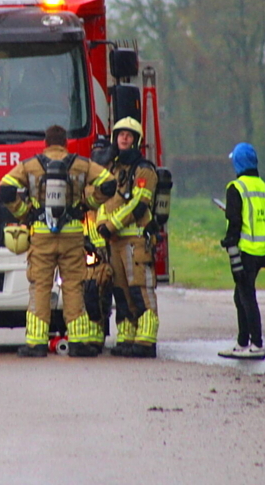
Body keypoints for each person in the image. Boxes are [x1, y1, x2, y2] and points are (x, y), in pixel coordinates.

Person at [0, 124, 116, 357]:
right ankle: (78, 341)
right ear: (65, 143)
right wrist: (87, 205)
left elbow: (5, 189)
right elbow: (109, 183)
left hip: (41, 235)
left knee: (40, 286)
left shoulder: (31, 165)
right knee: (73, 286)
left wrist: (25, 213)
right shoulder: (81, 164)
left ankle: (36, 343)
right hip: (72, 235)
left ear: (45, 143)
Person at [97, 117, 160, 359]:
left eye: (129, 135)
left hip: (136, 241)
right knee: (120, 292)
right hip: (115, 242)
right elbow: (104, 201)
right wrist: (102, 224)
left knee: (140, 289)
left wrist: (111, 225)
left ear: (136, 140)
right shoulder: (113, 170)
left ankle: (146, 339)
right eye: (120, 134)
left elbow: (139, 204)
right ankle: (126, 337)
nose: (124, 138)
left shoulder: (144, 169)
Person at [218, 142, 265, 360]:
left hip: (244, 250)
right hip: (262, 250)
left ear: (238, 162)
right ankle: (243, 342)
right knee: (240, 295)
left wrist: (229, 242)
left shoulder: (236, 188)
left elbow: (235, 222)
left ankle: (256, 344)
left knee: (246, 296)